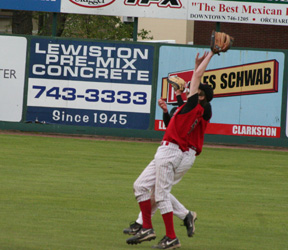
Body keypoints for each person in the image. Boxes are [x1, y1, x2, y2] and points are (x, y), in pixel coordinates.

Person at [123, 52, 210, 239]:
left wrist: (208, 57)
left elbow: (196, 85)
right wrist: (177, 97)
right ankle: (152, 223)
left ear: (201, 97)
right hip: (175, 149)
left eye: (194, 92)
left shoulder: (204, 108)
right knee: (151, 189)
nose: (190, 92)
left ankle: (153, 228)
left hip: (182, 152)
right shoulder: (189, 107)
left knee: (160, 193)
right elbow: (176, 118)